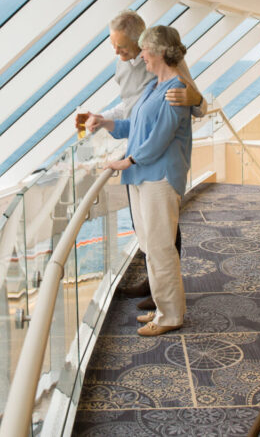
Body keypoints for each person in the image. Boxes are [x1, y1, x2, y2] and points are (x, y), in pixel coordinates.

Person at [98, 25, 192, 336]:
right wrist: (106, 122)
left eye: (146, 52)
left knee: (161, 247)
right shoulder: (154, 87)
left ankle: (170, 316)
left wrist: (130, 160)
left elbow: (159, 138)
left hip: (159, 177)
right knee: (151, 246)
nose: (141, 57)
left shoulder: (175, 90)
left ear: (161, 53)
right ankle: (163, 308)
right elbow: (135, 127)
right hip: (142, 176)